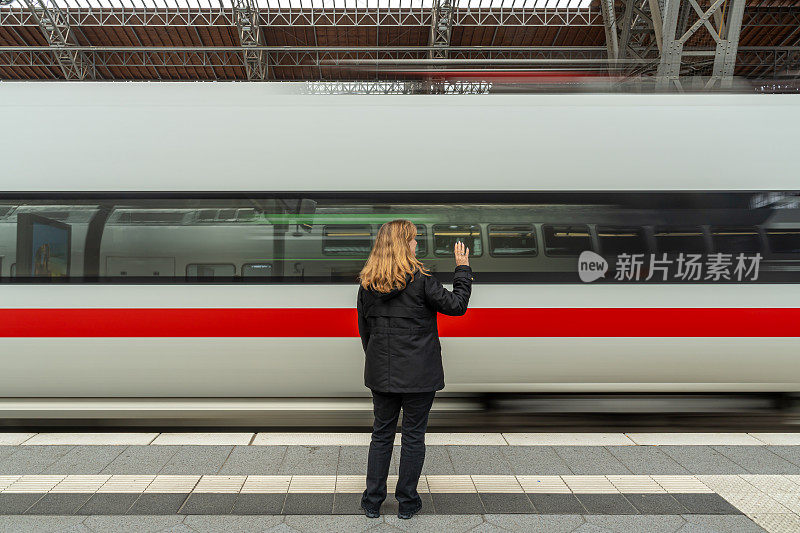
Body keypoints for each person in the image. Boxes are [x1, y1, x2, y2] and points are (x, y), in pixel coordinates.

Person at [356, 219, 473, 520]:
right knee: (413, 436)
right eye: (413, 239)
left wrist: (380, 360)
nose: (416, 244)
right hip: (420, 374)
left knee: (381, 435)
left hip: (382, 373)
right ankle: (407, 503)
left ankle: (372, 502)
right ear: (403, 244)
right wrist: (462, 268)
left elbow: (364, 331)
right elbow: (457, 306)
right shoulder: (422, 281)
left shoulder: (368, 283)